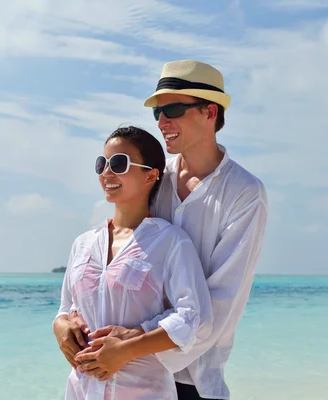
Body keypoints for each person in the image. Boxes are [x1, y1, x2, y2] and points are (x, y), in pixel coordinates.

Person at [56, 60, 268, 399]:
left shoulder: (244, 193)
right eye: (158, 112)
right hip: (118, 372)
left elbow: (222, 300)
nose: (162, 121)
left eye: (173, 108)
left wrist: (134, 341)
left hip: (193, 378)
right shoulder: (154, 175)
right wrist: (66, 322)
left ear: (210, 112)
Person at [54, 126, 214, 400]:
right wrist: (59, 328)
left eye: (118, 163)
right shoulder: (83, 244)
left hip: (143, 391)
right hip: (81, 390)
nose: (106, 173)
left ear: (151, 174)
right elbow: (66, 308)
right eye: (101, 164)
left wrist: (128, 349)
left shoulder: (170, 242)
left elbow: (193, 317)